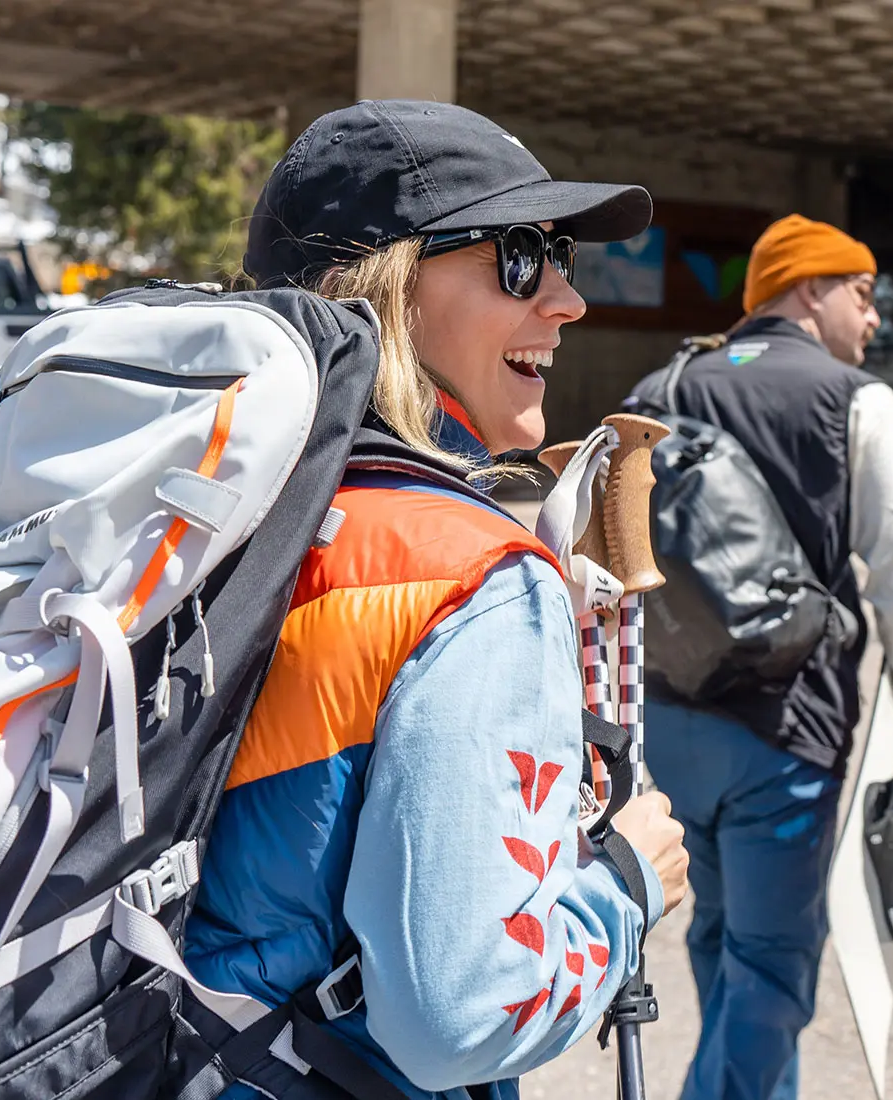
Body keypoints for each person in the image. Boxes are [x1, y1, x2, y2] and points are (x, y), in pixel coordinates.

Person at [183, 100, 689, 1099]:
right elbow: (459, 1015)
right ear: (382, 290)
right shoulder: (466, 572)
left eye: (562, 258)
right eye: (517, 255)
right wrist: (626, 883)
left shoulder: (203, 510)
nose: (565, 300)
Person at [629, 214, 893, 1100]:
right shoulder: (854, 399)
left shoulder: (663, 385)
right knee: (773, 967)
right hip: (787, 730)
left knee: (719, 935)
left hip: (667, 721)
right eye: (864, 294)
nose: (876, 319)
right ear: (810, 289)